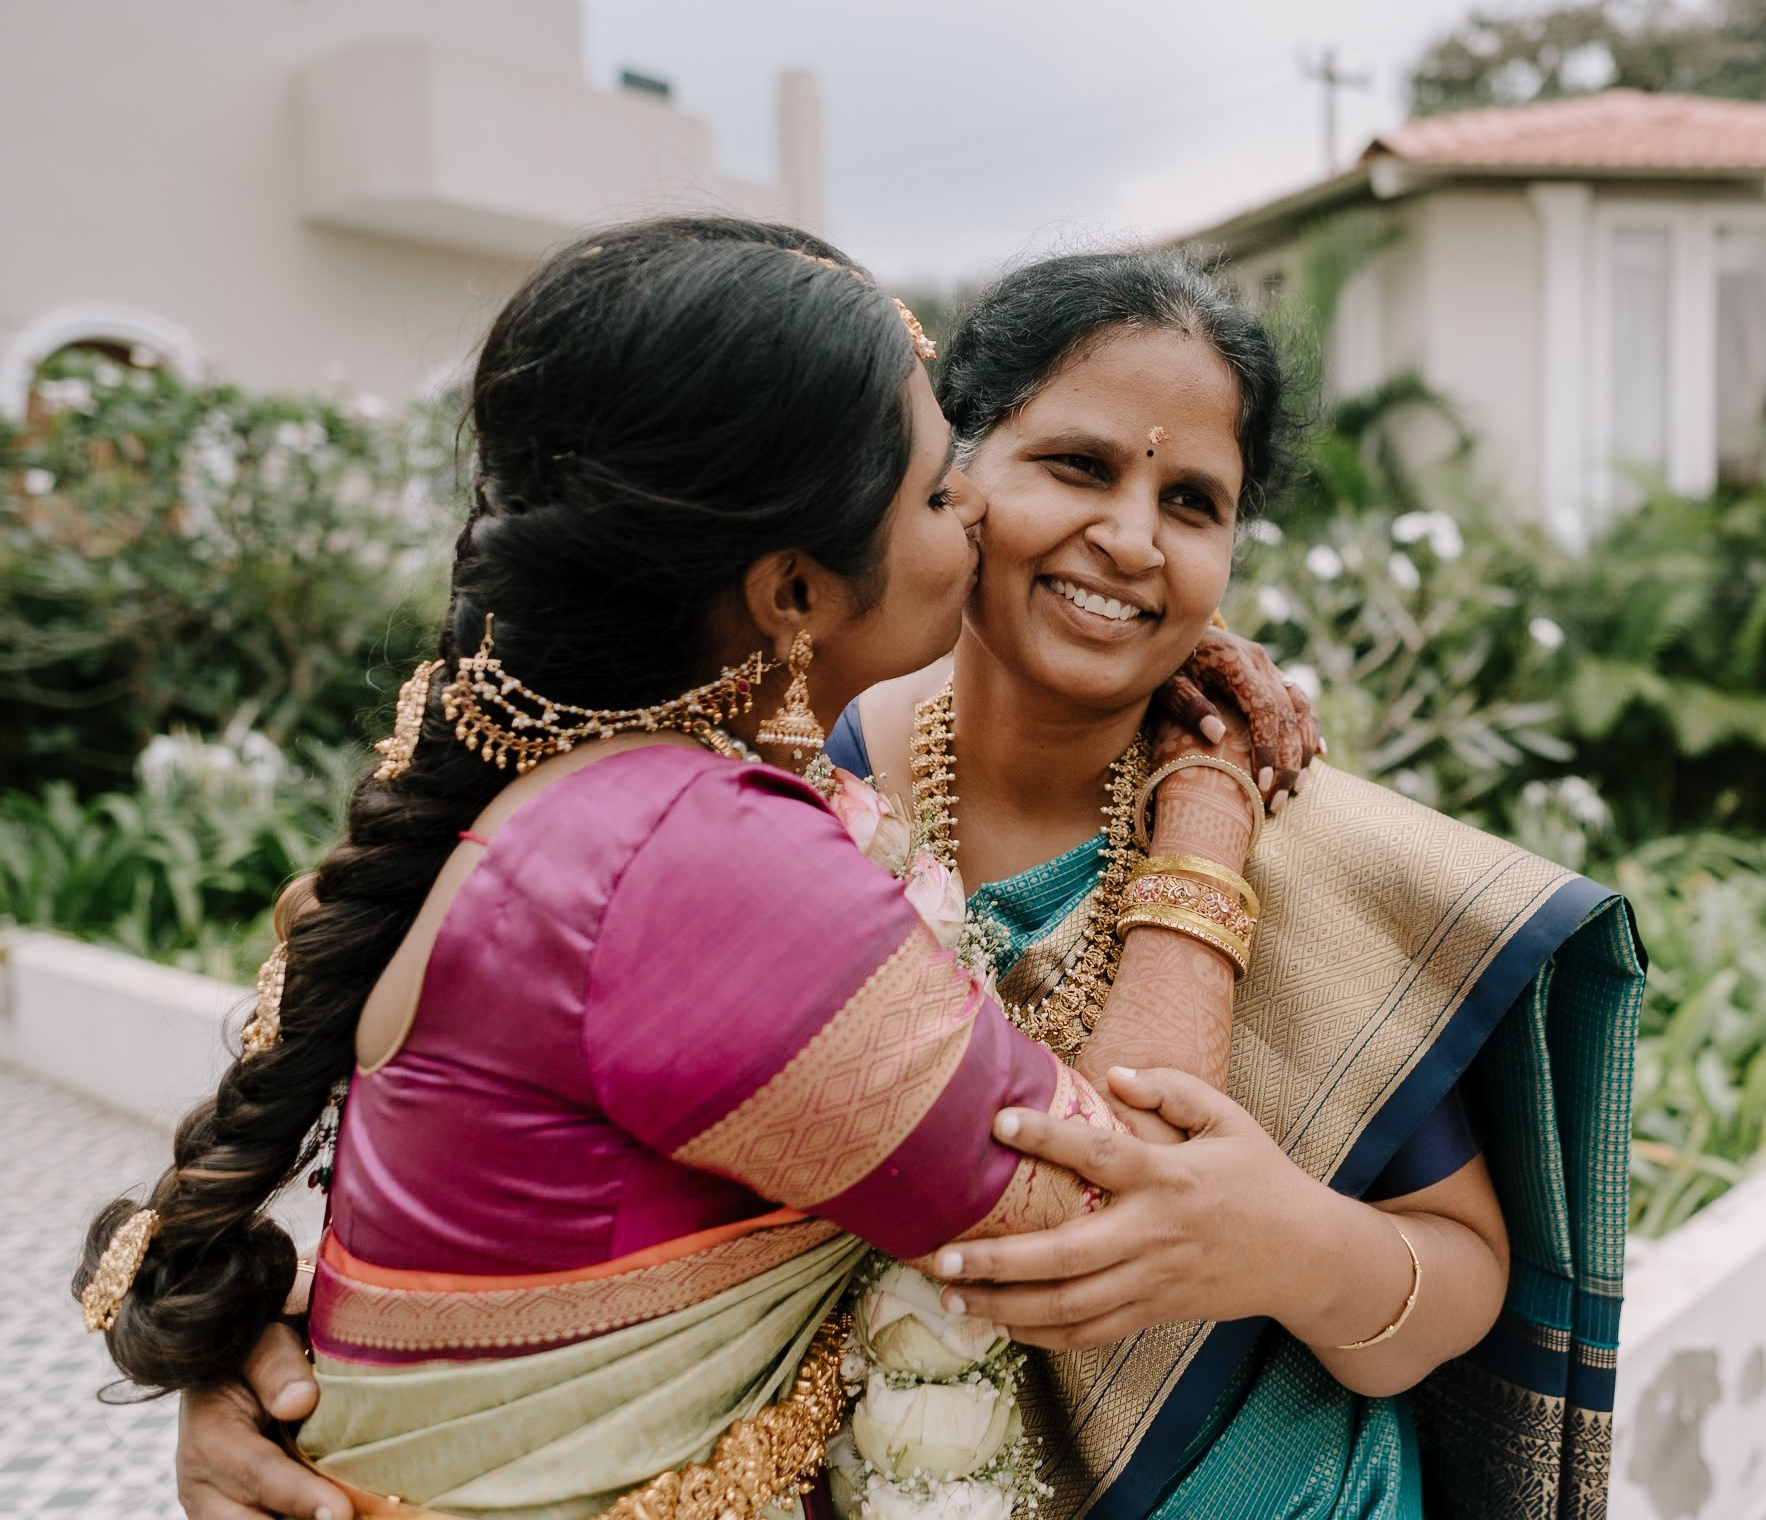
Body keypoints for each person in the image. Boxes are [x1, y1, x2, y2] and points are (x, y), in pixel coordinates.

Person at [174, 248, 1644, 1519]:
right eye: (1074, 464)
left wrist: (1288, 1242)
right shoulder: (787, 778)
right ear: (954, 479)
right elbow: (479, 1090)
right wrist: (282, 1359)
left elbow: (1457, 1275)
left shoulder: (1305, 839)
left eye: (1192, 499)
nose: (1130, 537)